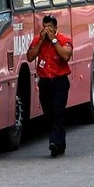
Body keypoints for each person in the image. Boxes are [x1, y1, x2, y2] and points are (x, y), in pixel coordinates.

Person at [26, 15, 73, 157]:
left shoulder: (64, 40)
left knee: (58, 112)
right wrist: (41, 41)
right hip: (45, 82)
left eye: (50, 27)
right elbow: (30, 57)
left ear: (56, 28)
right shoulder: (38, 40)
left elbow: (66, 56)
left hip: (60, 82)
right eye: (45, 27)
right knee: (49, 114)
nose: (47, 30)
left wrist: (53, 40)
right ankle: (60, 144)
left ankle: (54, 143)